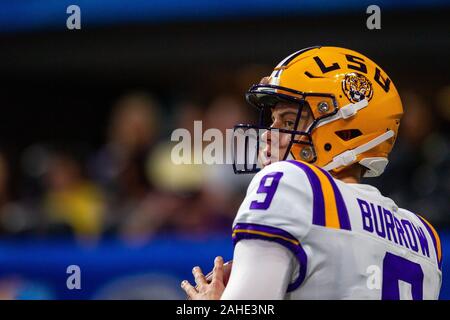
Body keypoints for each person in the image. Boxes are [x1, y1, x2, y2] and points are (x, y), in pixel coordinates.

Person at [181, 46, 442, 299]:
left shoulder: (289, 184)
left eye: (289, 121)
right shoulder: (425, 236)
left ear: (346, 130)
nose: (270, 135)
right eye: (274, 121)